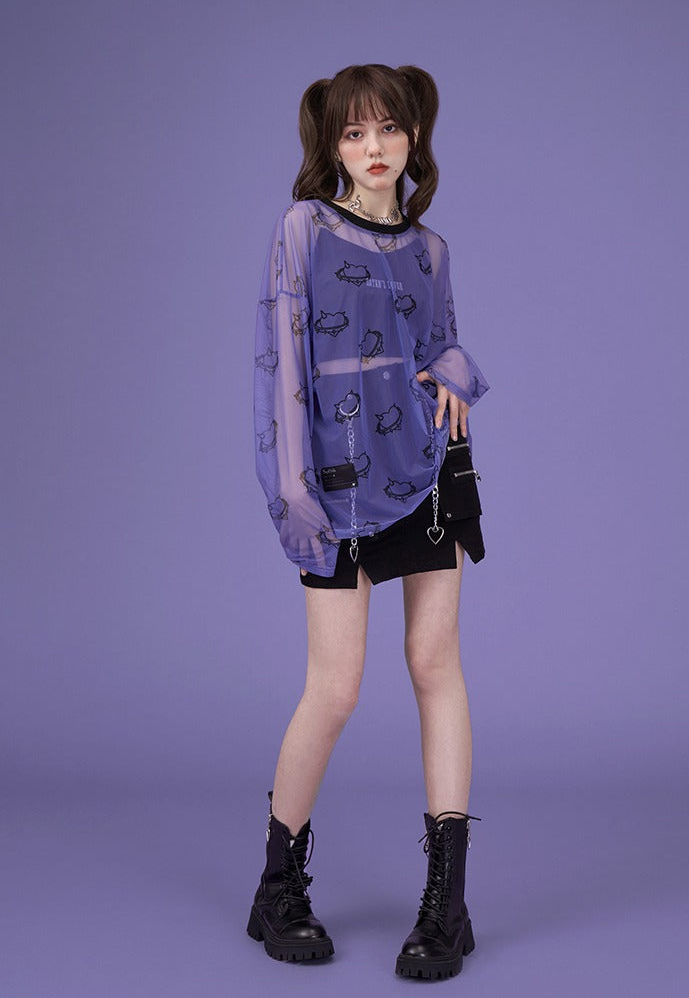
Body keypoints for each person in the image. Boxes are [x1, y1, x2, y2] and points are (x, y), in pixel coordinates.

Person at [247, 63, 490, 980]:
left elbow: (442, 343)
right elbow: (280, 365)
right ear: (332, 145)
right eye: (354, 132)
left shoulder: (431, 249)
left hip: (426, 470)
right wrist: (292, 492)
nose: (374, 147)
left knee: (434, 663)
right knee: (336, 688)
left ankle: (448, 905)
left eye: (389, 127)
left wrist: (455, 370)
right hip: (338, 484)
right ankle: (276, 886)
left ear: (413, 136)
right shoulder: (303, 231)